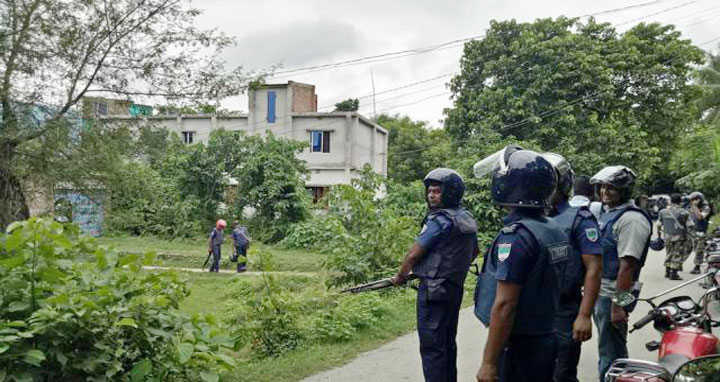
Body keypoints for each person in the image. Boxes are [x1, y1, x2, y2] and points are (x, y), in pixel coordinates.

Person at [474, 147, 569, 382]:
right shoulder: (553, 229)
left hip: (520, 346)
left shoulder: (516, 236)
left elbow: (506, 304)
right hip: (545, 337)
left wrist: (488, 363)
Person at [391, 168, 478, 382]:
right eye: (430, 191)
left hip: (433, 292)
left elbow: (413, 256)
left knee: (432, 348)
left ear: (449, 193)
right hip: (454, 288)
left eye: (437, 191)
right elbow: (475, 252)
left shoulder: (439, 221)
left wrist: (400, 276)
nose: (431, 195)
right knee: (448, 342)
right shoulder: (466, 218)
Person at [542, 153, 603, 382]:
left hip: (565, 310)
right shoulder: (530, 218)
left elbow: (594, 269)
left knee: (562, 374)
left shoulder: (580, 219)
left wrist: (584, 315)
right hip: (535, 311)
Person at [589, 166, 652, 381]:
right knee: (607, 347)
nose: (605, 192)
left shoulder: (632, 220)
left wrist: (618, 306)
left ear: (624, 190)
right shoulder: (608, 214)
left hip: (613, 294)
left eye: (611, 188)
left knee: (611, 352)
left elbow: (628, 266)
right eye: (602, 187)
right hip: (601, 291)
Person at [658, 193, 693, 280]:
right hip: (679, 237)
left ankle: (667, 272)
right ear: (680, 201)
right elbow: (690, 225)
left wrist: (659, 234)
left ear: (671, 200)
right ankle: (673, 274)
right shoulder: (684, 212)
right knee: (677, 254)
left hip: (667, 236)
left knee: (669, 253)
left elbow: (659, 225)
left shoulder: (663, 211)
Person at [689, 192, 711, 274]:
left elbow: (700, 217)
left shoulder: (706, 207)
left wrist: (694, 206)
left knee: (699, 250)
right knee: (691, 249)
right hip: (692, 232)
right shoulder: (691, 206)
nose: (691, 202)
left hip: (701, 231)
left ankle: (697, 267)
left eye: (693, 200)